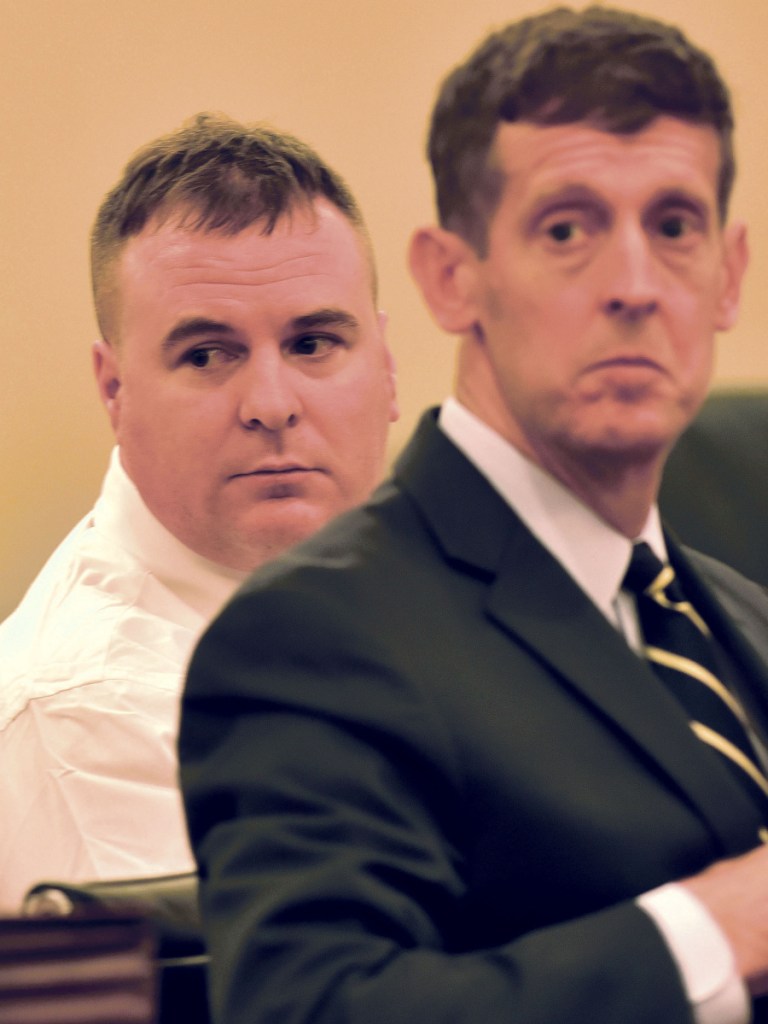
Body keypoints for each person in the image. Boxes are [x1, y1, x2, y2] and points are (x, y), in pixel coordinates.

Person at [180, 8, 768, 1024]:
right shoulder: (314, 636)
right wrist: (712, 932)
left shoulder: (742, 620)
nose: (633, 285)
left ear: (728, 275)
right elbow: (313, 1009)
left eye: (673, 227)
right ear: (452, 278)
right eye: (568, 229)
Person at [0, 113, 398, 912]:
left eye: (314, 343)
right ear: (115, 389)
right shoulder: (90, 719)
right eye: (207, 355)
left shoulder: (430, 593)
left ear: (386, 368)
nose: (272, 404)